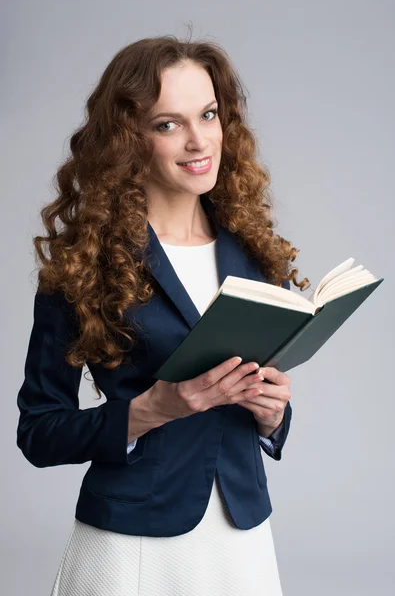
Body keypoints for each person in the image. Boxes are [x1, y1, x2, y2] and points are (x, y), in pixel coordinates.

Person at [16, 34, 309, 596]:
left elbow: (257, 406)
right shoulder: (87, 264)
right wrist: (147, 411)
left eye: (208, 114)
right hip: (133, 543)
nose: (199, 139)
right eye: (167, 123)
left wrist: (274, 417)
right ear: (129, 139)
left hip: (242, 537)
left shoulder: (253, 251)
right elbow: (38, 431)